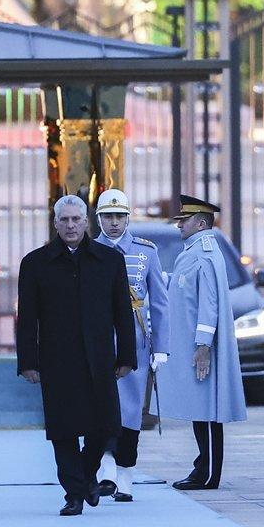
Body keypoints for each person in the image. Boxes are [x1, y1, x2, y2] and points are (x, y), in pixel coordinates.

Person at [16, 194, 137, 516]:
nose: (70, 225)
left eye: (76, 219)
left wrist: (126, 356)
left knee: (104, 427)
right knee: (64, 430)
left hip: (99, 360)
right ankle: (74, 493)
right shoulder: (35, 263)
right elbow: (27, 318)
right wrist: (27, 361)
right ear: (55, 223)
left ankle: (85, 479)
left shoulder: (109, 261)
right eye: (64, 220)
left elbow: (122, 313)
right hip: (57, 360)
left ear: (87, 222)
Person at [161, 194, 246, 490]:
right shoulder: (194, 251)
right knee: (200, 408)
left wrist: (203, 346)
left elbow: (209, 303)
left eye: (184, 220)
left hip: (200, 347)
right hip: (193, 344)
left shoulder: (204, 252)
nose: (179, 226)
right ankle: (202, 466)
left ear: (200, 223)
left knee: (207, 409)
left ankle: (208, 474)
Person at [92, 188, 169, 502]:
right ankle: (106, 465)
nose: (113, 223)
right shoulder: (88, 250)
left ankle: (126, 474)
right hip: (98, 338)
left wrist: (161, 347)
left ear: (127, 218)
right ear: (99, 219)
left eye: (119, 217)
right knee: (99, 406)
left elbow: (160, 303)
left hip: (134, 339)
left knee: (131, 411)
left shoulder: (145, 251)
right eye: (108, 217)